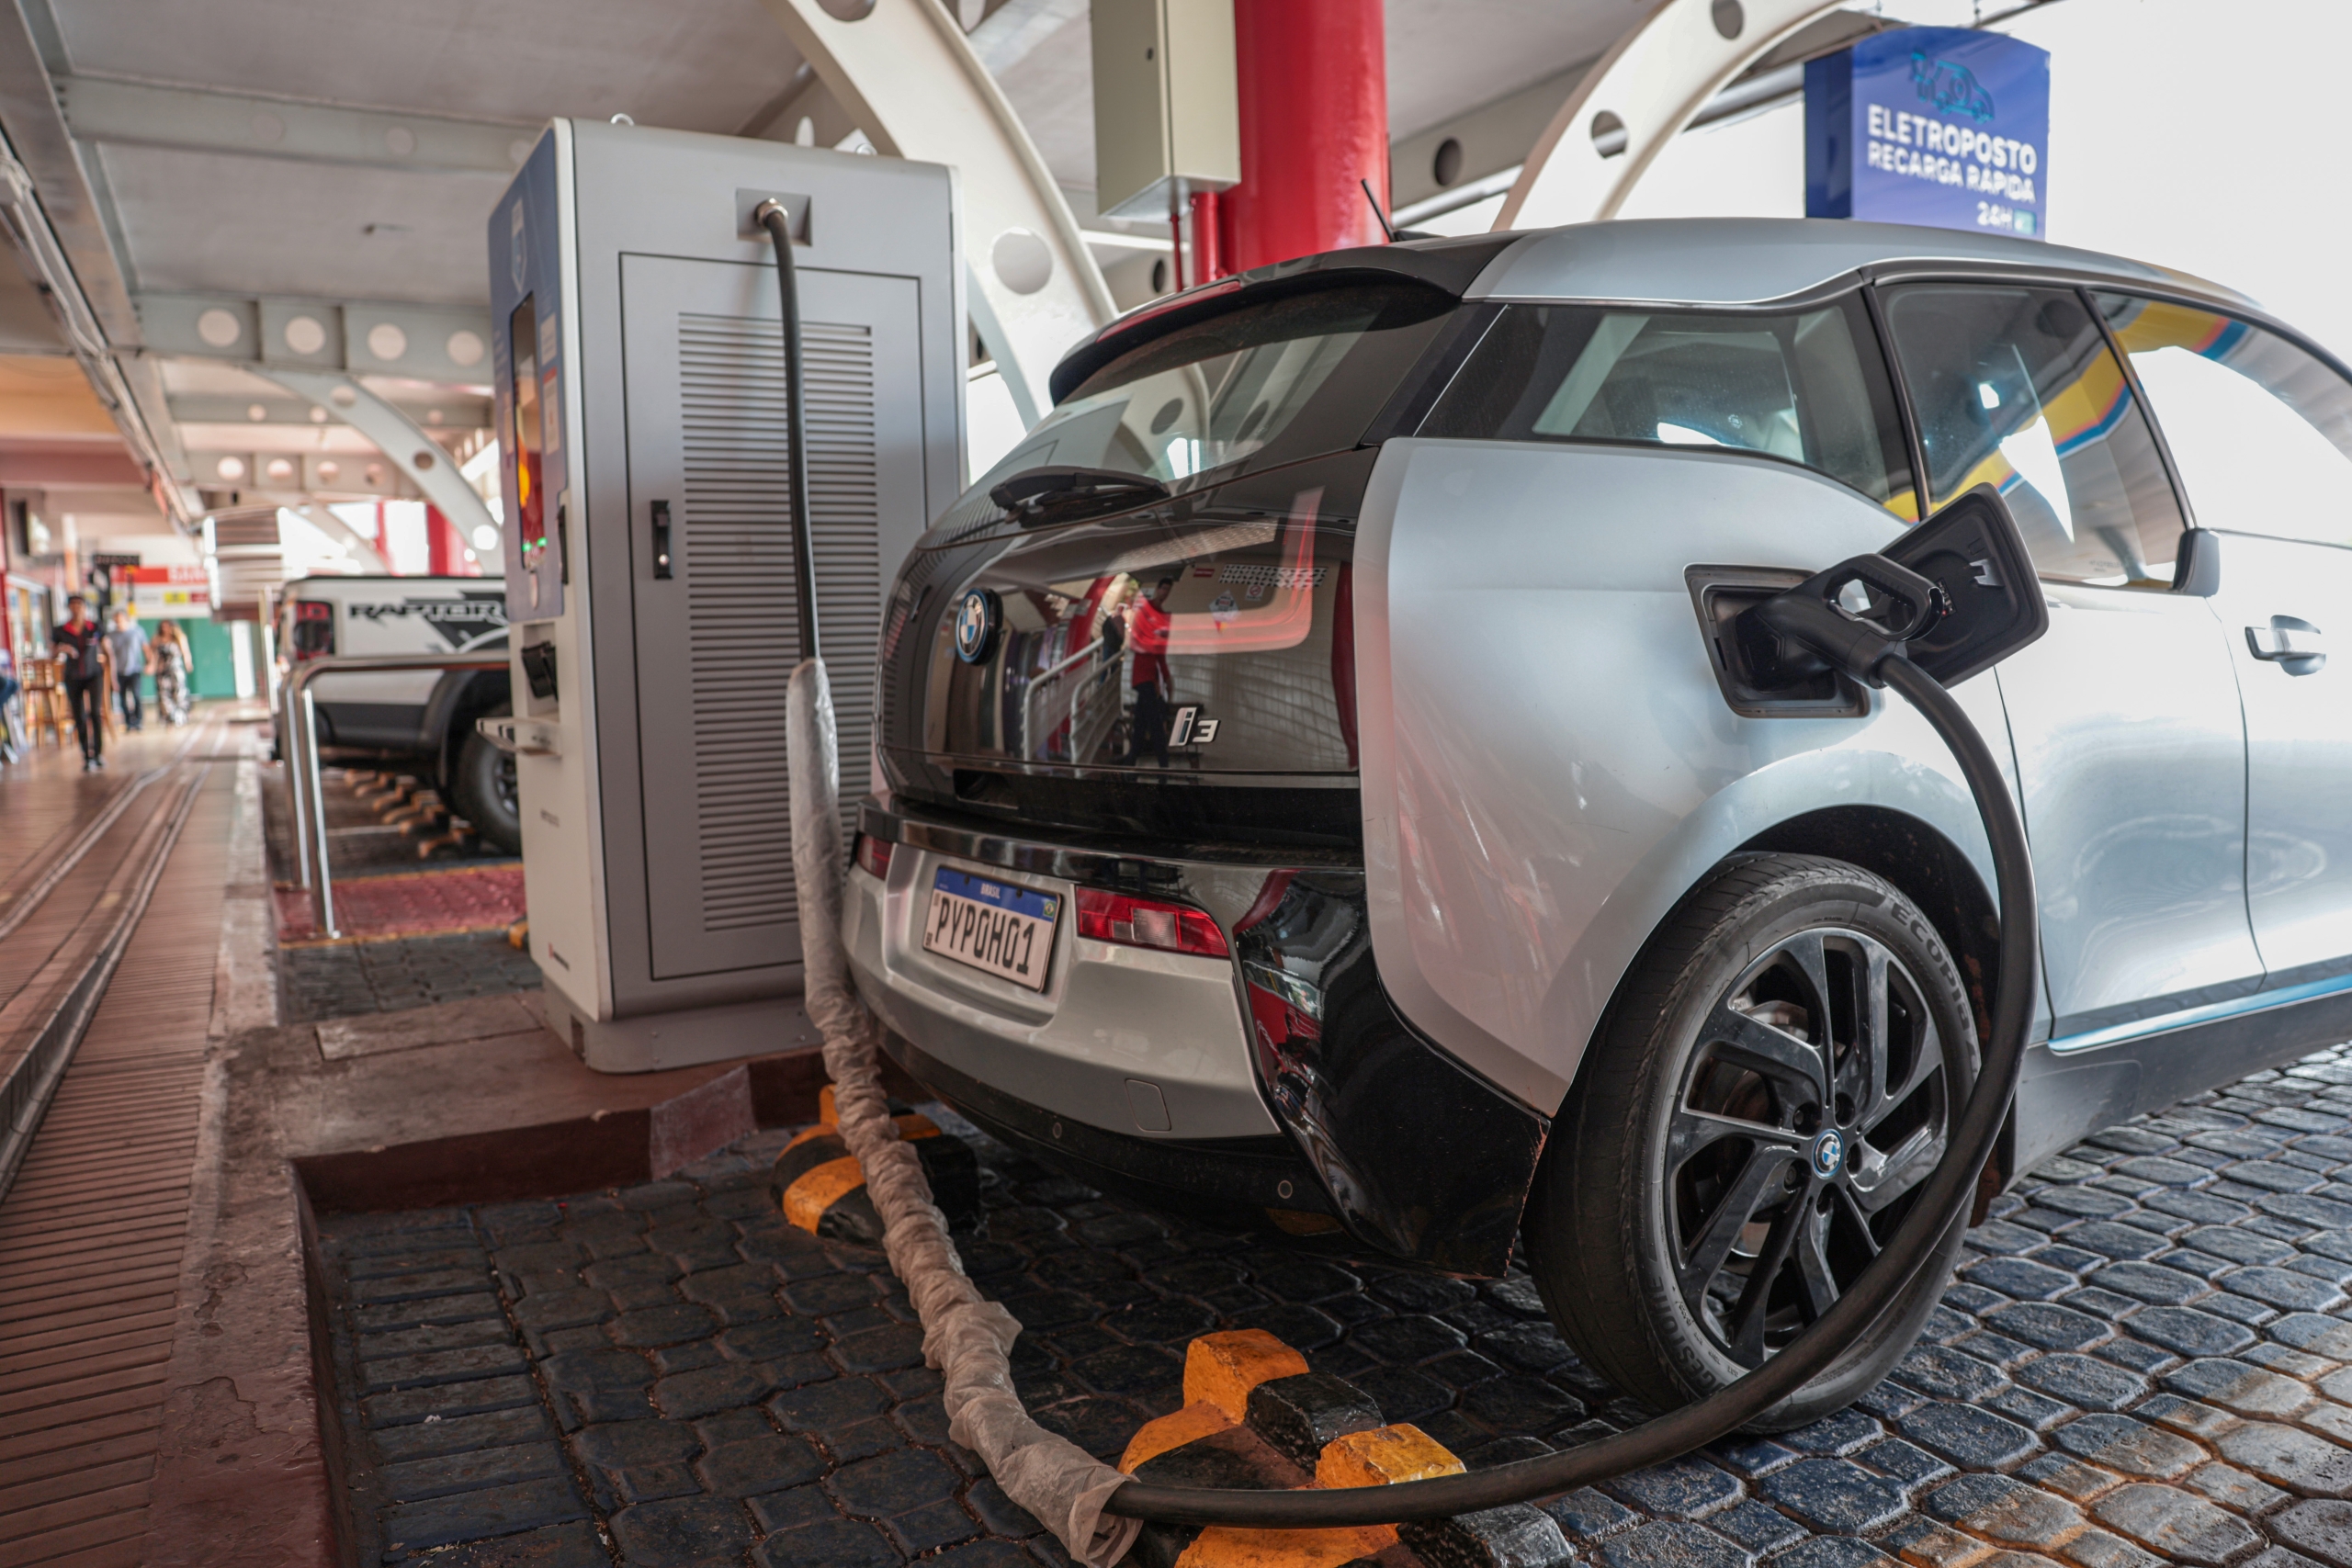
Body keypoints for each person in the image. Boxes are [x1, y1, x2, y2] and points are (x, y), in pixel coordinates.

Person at [1125, 575, 1175, 766]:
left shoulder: (1163, 617)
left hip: (1147, 676)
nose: (1164, 593)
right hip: (1144, 676)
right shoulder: (1147, 612)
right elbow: (1137, 642)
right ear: (1158, 589)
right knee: (1155, 724)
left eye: (1167, 590)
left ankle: (1130, 763)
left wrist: (1166, 677)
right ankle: (1164, 766)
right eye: (1163, 589)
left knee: (1141, 724)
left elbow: (1160, 653)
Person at [54, 594, 106, 770]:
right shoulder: (61, 630)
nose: (76, 608)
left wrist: (112, 676)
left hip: (94, 674)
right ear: (69, 608)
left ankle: (98, 753)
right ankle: (86, 755)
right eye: (73, 605)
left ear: (85, 607)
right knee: (79, 715)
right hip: (73, 676)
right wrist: (62, 648)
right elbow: (52, 652)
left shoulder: (95, 627)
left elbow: (107, 649)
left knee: (95, 714)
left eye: (80, 605)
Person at [106, 607, 147, 732]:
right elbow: (108, 655)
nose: (118, 621)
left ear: (126, 619)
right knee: (122, 698)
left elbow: (145, 647)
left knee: (136, 695)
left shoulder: (137, 631)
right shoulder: (110, 635)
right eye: (116, 619)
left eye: (120, 618)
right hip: (118, 671)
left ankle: (138, 721)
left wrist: (150, 663)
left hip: (135, 669)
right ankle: (129, 722)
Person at [150, 620, 191, 726]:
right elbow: (153, 655)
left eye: (167, 626)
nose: (165, 629)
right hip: (162, 670)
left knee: (179, 693)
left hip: (176, 670)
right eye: (163, 627)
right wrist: (152, 666)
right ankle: (168, 718)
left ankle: (180, 717)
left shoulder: (179, 638)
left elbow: (185, 652)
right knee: (163, 694)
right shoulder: (157, 639)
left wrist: (188, 663)